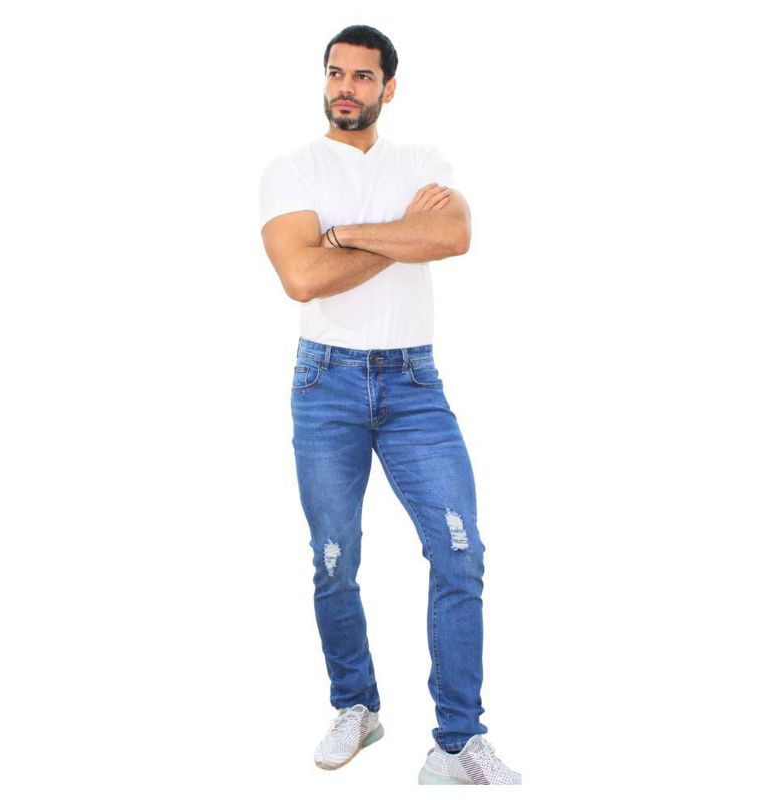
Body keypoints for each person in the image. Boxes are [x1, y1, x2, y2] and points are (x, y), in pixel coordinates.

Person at [258, 24, 521, 786]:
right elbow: (302, 278)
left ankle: (456, 743)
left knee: (461, 552)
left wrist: (343, 236)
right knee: (334, 559)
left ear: (389, 87)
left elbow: (455, 233)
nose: (346, 87)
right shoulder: (291, 170)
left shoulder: (420, 163)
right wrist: (405, 237)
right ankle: (356, 705)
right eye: (336, 73)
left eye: (363, 76)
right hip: (325, 386)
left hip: (413, 386)